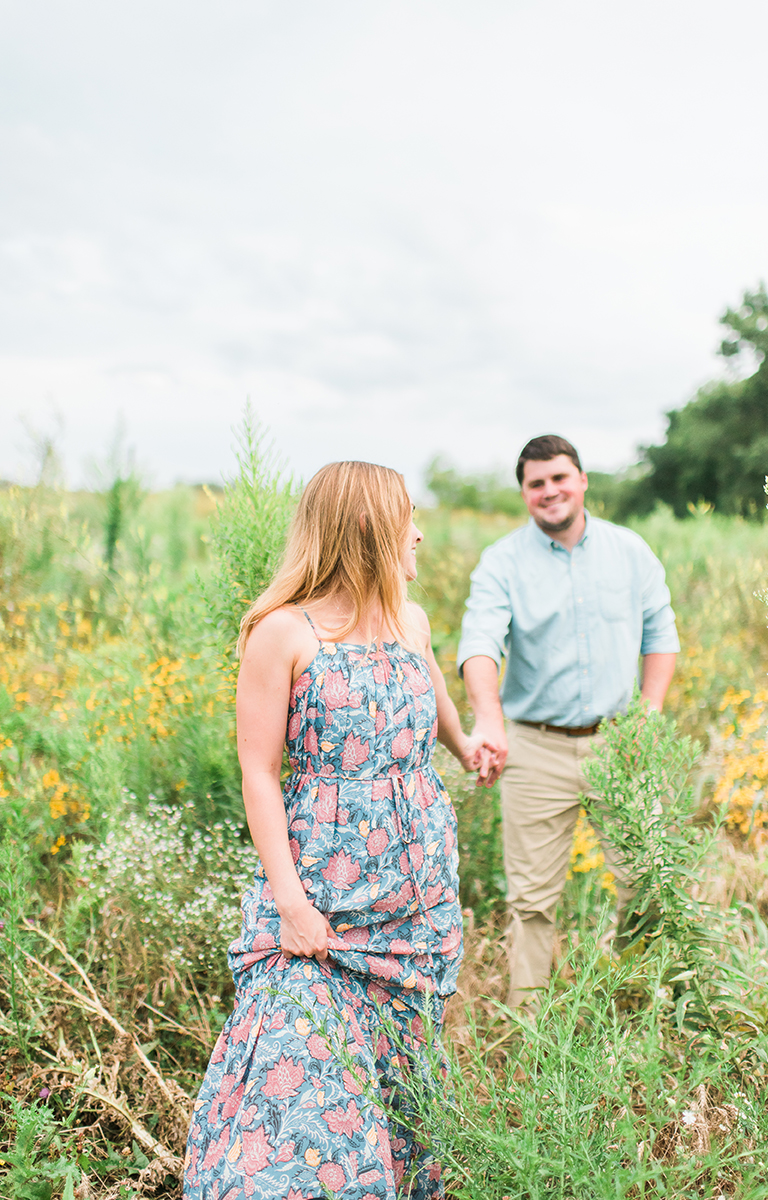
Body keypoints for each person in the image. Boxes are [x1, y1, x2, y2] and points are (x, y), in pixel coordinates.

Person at [184, 461, 490, 1200]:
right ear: (365, 527)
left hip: (413, 900)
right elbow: (258, 772)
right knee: (299, 1092)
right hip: (321, 900)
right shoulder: (283, 633)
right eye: (405, 516)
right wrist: (289, 902)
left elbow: (433, 698)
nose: (417, 532)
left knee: (397, 1079)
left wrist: (465, 745)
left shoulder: (408, 619)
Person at [457, 434, 679, 1008]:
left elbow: (661, 634)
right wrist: (490, 719)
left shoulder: (630, 551)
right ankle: (528, 1022)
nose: (550, 491)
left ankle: (630, 1000)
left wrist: (648, 717)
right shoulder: (502, 562)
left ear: (582, 481)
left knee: (648, 879)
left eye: (559, 478)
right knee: (531, 900)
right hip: (535, 748)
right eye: (536, 483)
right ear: (524, 494)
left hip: (620, 744)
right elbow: (480, 641)